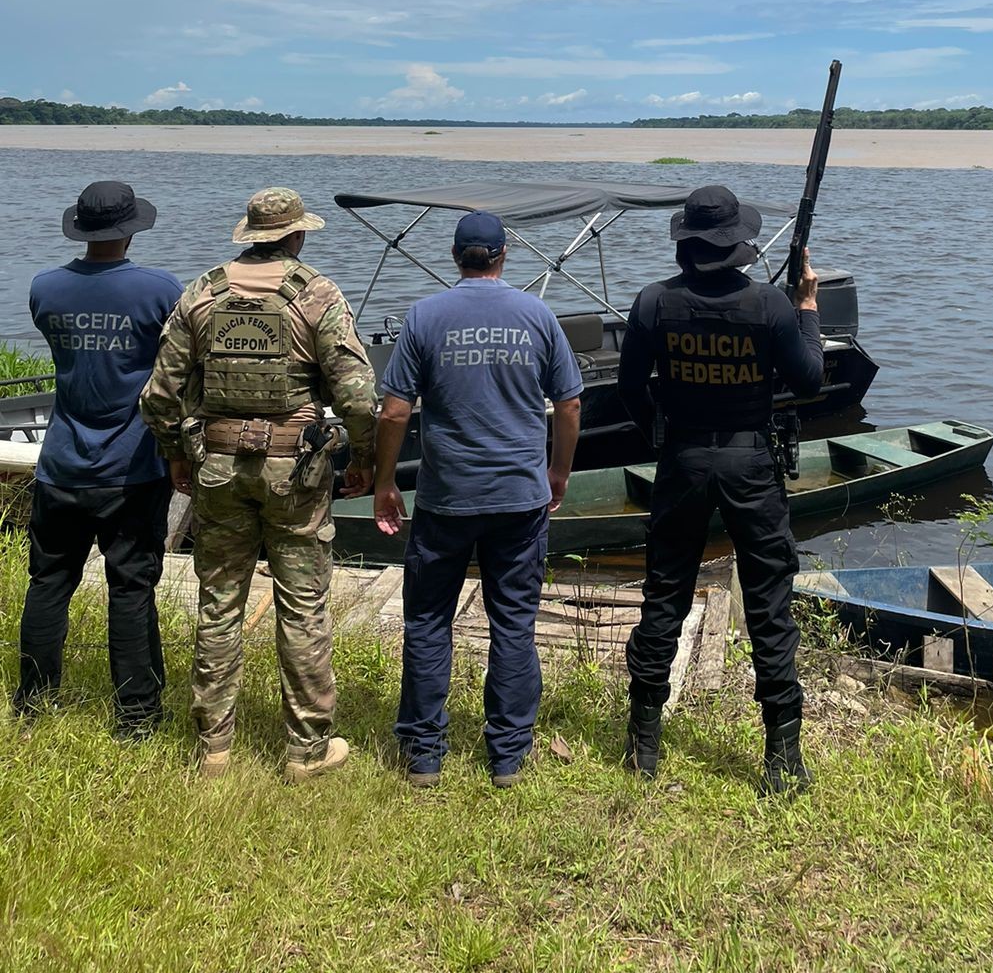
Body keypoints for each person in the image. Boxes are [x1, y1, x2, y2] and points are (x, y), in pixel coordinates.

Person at [139, 188, 376, 781]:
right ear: (296, 237)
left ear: (250, 235)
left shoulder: (201, 292)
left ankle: (214, 747)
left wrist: (176, 455)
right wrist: (365, 458)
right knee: (303, 608)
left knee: (219, 605)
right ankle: (306, 751)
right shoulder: (317, 295)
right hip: (294, 476)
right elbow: (358, 398)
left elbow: (159, 397)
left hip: (216, 471)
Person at [618, 184, 825, 796]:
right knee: (767, 604)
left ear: (686, 243)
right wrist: (807, 308)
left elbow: (631, 389)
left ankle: (642, 745)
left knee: (665, 595)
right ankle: (783, 757)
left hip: (682, 459)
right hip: (750, 464)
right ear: (738, 245)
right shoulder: (771, 306)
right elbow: (809, 381)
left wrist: (659, 432)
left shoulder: (653, 303)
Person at [373, 210, 582, 788]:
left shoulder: (424, 315)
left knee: (428, 620)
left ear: (456, 255)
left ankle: (423, 754)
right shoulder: (537, 315)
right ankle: (508, 756)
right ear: (504, 255)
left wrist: (385, 482)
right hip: (520, 497)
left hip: (445, 499)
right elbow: (568, 404)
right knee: (513, 622)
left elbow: (394, 409)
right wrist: (558, 472)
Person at [17, 180, 182, 736]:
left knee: (48, 582)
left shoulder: (45, 288)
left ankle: (33, 702)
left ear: (81, 228)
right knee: (131, 588)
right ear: (132, 227)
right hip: (132, 467)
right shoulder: (161, 290)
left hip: (61, 462)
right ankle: (136, 717)